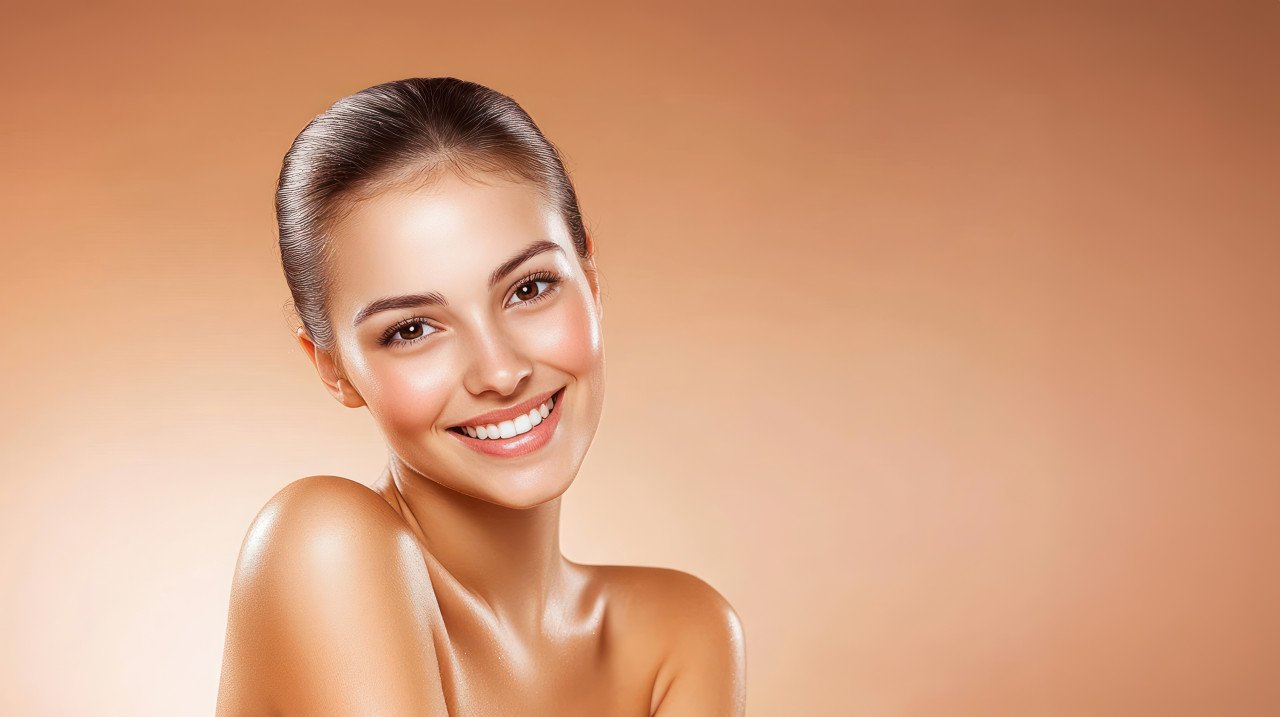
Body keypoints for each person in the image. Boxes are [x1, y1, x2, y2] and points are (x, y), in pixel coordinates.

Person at [215, 77, 746, 716]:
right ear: (335, 371)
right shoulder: (326, 545)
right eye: (411, 330)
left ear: (592, 283)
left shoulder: (681, 636)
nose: (498, 371)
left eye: (529, 289)